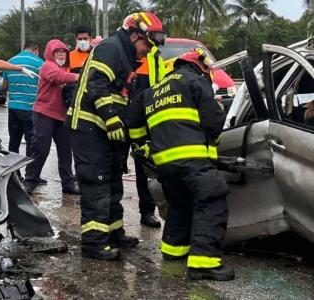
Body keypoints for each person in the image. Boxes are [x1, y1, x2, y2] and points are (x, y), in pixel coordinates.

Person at [119, 48, 235, 281]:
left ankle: (173, 250)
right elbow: (213, 120)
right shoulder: (195, 81)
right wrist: (214, 141)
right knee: (211, 200)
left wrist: (142, 147)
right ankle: (204, 264)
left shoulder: (154, 90)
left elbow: (131, 119)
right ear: (199, 66)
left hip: (164, 163)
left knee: (180, 204)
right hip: (192, 158)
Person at [65, 12, 166, 261]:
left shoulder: (126, 54)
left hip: (104, 131)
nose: (147, 51)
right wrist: (110, 118)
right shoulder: (111, 48)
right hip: (89, 128)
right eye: (146, 44)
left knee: (112, 183)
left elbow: (121, 98)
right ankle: (93, 244)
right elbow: (96, 84)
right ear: (134, 35)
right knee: (97, 184)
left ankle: (113, 233)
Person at [24, 39, 79, 195]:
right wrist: (79, 77)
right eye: (57, 52)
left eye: (63, 52)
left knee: (65, 152)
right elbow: (58, 77)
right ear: (50, 53)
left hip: (62, 116)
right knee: (41, 149)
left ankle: (68, 184)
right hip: (44, 113)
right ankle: (30, 180)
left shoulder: (65, 68)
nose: (61, 54)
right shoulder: (48, 66)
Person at [130, 45, 167, 228]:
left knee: (144, 167)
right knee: (112, 167)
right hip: (119, 117)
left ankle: (147, 211)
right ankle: (109, 217)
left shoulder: (156, 58)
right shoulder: (122, 54)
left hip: (145, 121)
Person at [2, 42, 43, 158]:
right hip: (30, 108)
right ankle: (29, 173)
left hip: (13, 108)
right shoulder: (39, 63)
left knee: (14, 142)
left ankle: (14, 174)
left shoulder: (10, 62)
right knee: (31, 143)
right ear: (36, 50)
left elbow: (4, 86)